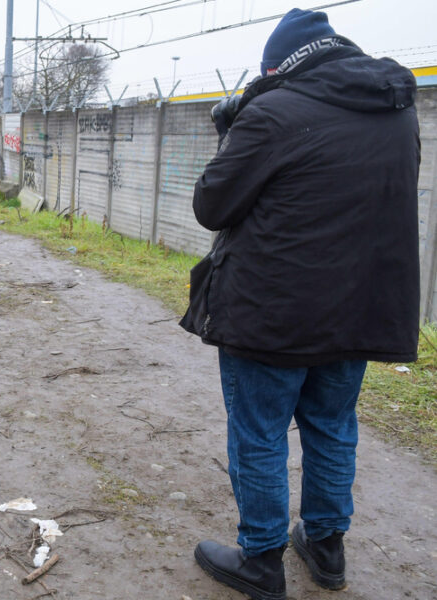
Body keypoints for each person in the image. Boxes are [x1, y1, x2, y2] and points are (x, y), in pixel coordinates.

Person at [181, 8, 420, 600]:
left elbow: (213, 205)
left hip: (272, 313)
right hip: (361, 307)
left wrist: (233, 132)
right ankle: (325, 547)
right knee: (333, 426)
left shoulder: (273, 111)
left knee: (260, 434)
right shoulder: (397, 113)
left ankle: (260, 561)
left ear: (279, 64)